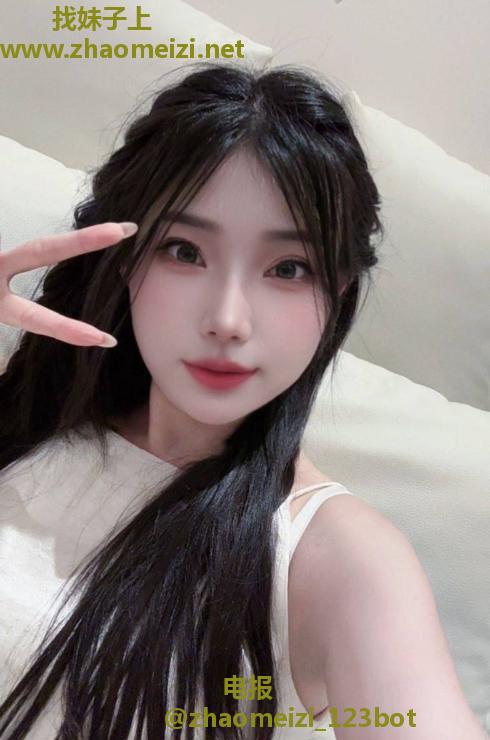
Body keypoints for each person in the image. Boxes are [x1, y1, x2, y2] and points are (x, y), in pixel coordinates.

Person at [0, 62, 485, 740]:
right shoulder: (34, 421)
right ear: (126, 258)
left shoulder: (338, 561)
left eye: (288, 268)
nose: (228, 320)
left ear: (340, 289)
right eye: (183, 251)